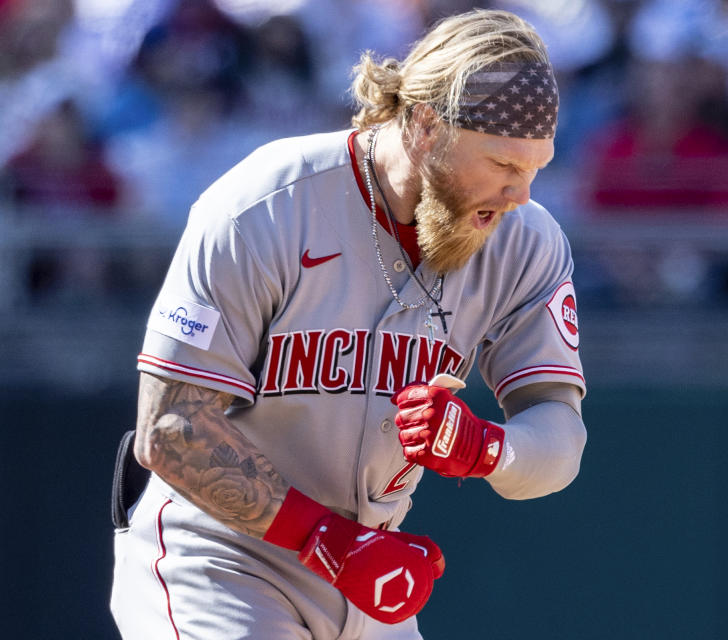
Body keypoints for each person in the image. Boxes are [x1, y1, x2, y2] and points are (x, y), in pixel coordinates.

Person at [110, 9, 587, 640]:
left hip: (372, 570)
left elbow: (560, 433)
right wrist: (326, 540)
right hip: (221, 559)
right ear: (423, 124)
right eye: (503, 164)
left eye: (536, 167)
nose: (521, 192)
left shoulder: (523, 241)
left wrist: (487, 447)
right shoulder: (266, 204)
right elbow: (169, 429)